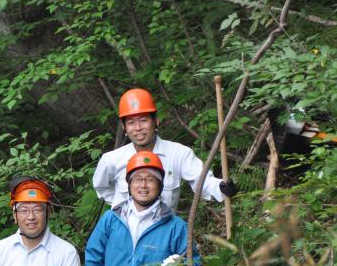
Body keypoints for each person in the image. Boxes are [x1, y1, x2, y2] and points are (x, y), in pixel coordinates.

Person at [92, 87, 237, 211]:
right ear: (124, 127)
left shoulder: (178, 153)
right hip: (125, 234)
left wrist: (221, 187)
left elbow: (202, 181)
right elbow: (101, 187)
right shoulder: (111, 160)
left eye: (143, 120)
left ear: (156, 122)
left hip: (164, 234)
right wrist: (121, 207)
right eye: (131, 123)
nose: (137, 128)